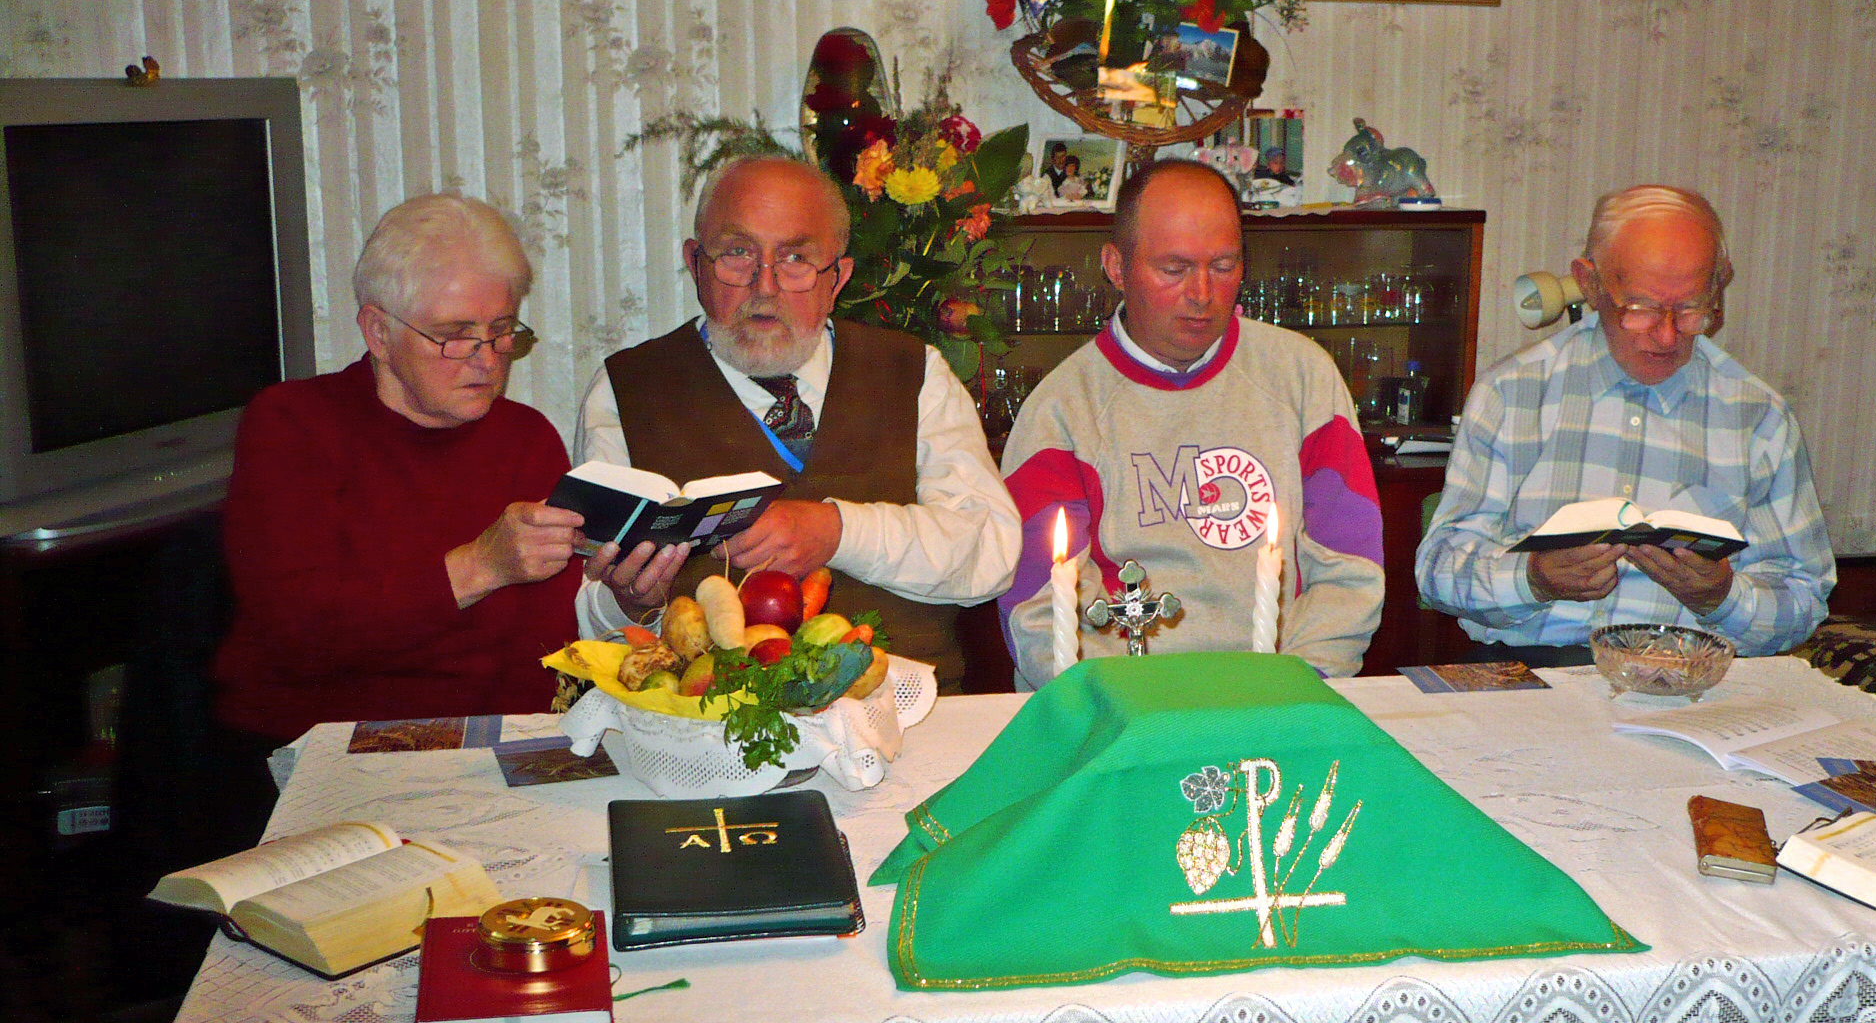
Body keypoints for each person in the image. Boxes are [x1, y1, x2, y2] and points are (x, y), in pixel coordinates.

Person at [575, 155, 1019, 691]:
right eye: (738, 254)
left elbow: (992, 552)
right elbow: (590, 613)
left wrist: (839, 532)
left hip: (911, 727)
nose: (765, 285)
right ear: (696, 264)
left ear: (838, 278)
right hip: (708, 736)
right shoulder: (627, 389)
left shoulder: (914, 372)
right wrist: (630, 602)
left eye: (796, 258)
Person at [1001, 159, 1386, 688]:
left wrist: (1293, 684)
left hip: (1277, 693)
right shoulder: (1062, 410)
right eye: (1174, 269)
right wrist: (1140, 710)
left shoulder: (1301, 377)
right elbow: (1037, 610)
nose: (1202, 293)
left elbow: (1350, 571)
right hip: (1121, 709)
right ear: (1116, 267)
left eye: (1224, 265)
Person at [214, 195, 581, 744]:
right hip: (324, 745)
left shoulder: (526, 438)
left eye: (502, 329)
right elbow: (295, 637)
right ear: (379, 333)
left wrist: (631, 597)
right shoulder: (292, 427)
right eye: (455, 334)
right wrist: (479, 567)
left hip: (489, 745)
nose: (487, 359)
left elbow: (543, 657)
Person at [1416, 185, 1835, 663]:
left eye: (1692, 308)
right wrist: (1533, 578)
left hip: (1688, 677)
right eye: (1640, 309)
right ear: (1589, 284)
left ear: (1719, 286)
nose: (1667, 334)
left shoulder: (1757, 416)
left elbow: (1804, 599)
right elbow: (1439, 569)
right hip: (1531, 674)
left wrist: (1722, 598)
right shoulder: (1513, 393)